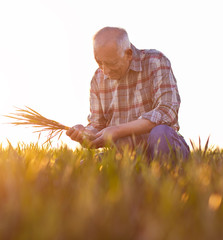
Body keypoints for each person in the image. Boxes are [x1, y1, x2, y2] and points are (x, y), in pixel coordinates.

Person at [66, 27, 190, 159]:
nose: (105, 71)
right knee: (83, 167)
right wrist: (84, 134)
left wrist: (118, 130)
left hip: (162, 145)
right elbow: (97, 126)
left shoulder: (155, 61)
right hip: (126, 153)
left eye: (111, 63)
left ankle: (167, 174)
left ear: (129, 54)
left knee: (161, 133)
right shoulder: (97, 79)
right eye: (99, 62)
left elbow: (167, 111)